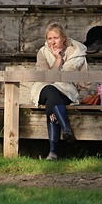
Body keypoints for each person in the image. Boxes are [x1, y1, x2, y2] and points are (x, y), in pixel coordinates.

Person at [30, 22, 88, 161]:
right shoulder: (43, 52)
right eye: (49, 38)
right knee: (50, 90)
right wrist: (57, 59)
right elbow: (48, 78)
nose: (52, 42)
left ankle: (53, 152)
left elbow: (82, 80)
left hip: (65, 91)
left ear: (63, 38)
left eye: (55, 38)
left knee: (52, 103)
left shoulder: (75, 52)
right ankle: (66, 129)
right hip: (43, 88)